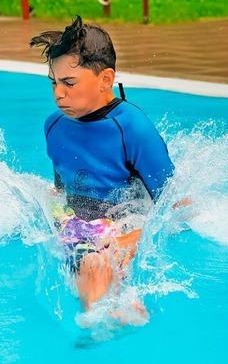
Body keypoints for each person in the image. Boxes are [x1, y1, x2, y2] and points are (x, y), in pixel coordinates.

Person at [31, 16, 186, 313]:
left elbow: (173, 201)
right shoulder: (54, 126)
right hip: (79, 219)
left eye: (69, 83)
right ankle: (113, 311)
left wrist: (137, 235)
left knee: (95, 263)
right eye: (54, 82)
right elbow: (61, 188)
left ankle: (101, 322)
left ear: (105, 80)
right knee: (89, 262)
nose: (58, 93)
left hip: (126, 217)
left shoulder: (131, 128)